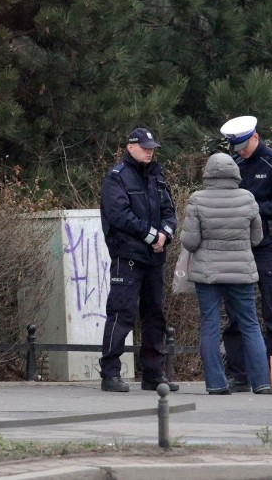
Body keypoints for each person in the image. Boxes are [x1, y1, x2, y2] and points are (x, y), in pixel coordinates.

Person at [219, 116, 272, 392]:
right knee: (235, 311)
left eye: (243, 145)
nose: (239, 151)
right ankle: (240, 373)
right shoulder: (238, 165)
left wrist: (255, 208)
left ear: (255, 137)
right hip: (240, 245)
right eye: (236, 148)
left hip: (267, 245)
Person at [180, 152, 272, 394]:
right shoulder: (248, 198)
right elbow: (257, 237)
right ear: (235, 174)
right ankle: (262, 382)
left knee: (210, 325)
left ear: (208, 174)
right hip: (241, 270)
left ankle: (216, 384)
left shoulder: (197, 200)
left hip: (207, 273)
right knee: (250, 324)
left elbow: (190, 242)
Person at [99, 127, 179, 393]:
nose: (149, 152)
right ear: (130, 147)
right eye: (145, 147)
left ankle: (153, 374)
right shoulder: (117, 177)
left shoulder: (156, 176)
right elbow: (119, 215)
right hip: (128, 256)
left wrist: (165, 235)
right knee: (121, 313)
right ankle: (110, 373)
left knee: (155, 316)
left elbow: (170, 211)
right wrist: (150, 235)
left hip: (154, 256)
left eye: (152, 148)